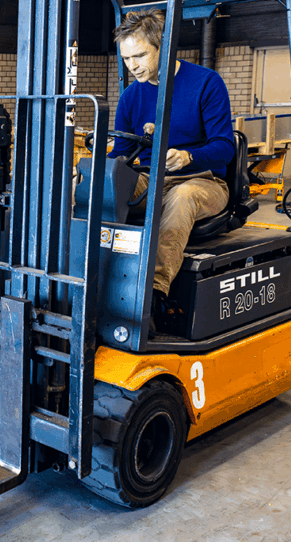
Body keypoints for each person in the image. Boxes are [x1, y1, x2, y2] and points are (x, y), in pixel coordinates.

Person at [108, 9, 235, 335]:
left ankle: (152, 296)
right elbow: (122, 154)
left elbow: (225, 147)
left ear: (163, 48)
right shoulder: (131, 96)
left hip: (202, 180)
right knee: (96, 188)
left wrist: (189, 157)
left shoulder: (206, 83)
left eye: (139, 56)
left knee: (182, 196)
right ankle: (89, 277)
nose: (132, 65)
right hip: (150, 178)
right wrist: (98, 169)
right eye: (126, 58)